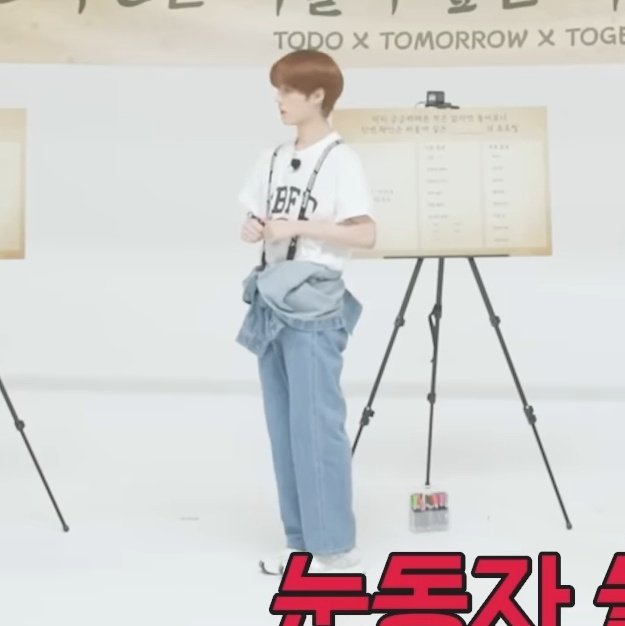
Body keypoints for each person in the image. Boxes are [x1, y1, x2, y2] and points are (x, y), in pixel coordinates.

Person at [236, 49, 375, 575]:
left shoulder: (341, 160)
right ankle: (300, 540)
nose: (280, 99)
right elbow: (256, 218)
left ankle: (334, 546)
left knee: (317, 425)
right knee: (284, 426)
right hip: (271, 298)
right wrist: (254, 228)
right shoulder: (271, 158)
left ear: (318, 96)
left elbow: (365, 233)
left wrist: (297, 227)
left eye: (289, 90)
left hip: (314, 302)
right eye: (278, 90)